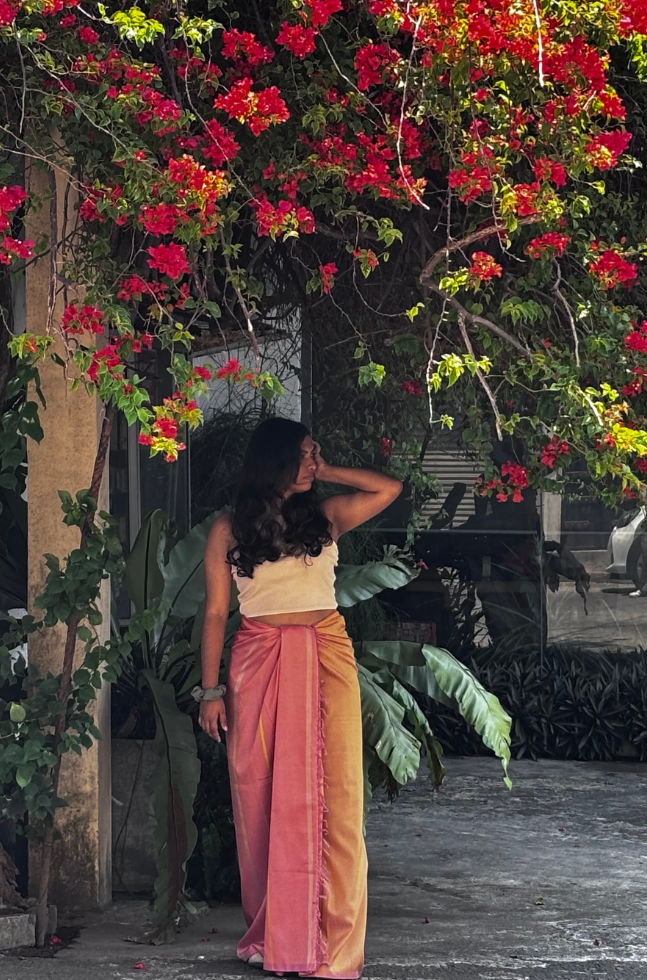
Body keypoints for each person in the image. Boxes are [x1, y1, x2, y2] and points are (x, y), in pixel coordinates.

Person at [196, 418, 402, 978]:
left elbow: (389, 488)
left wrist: (326, 470)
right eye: (307, 454)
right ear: (277, 459)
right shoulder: (228, 529)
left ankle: (331, 939)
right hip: (257, 661)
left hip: (325, 657)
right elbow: (215, 613)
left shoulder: (326, 516)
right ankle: (279, 933)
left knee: (337, 794)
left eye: (317, 453)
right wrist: (210, 691)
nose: (315, 461)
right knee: (260, 795)